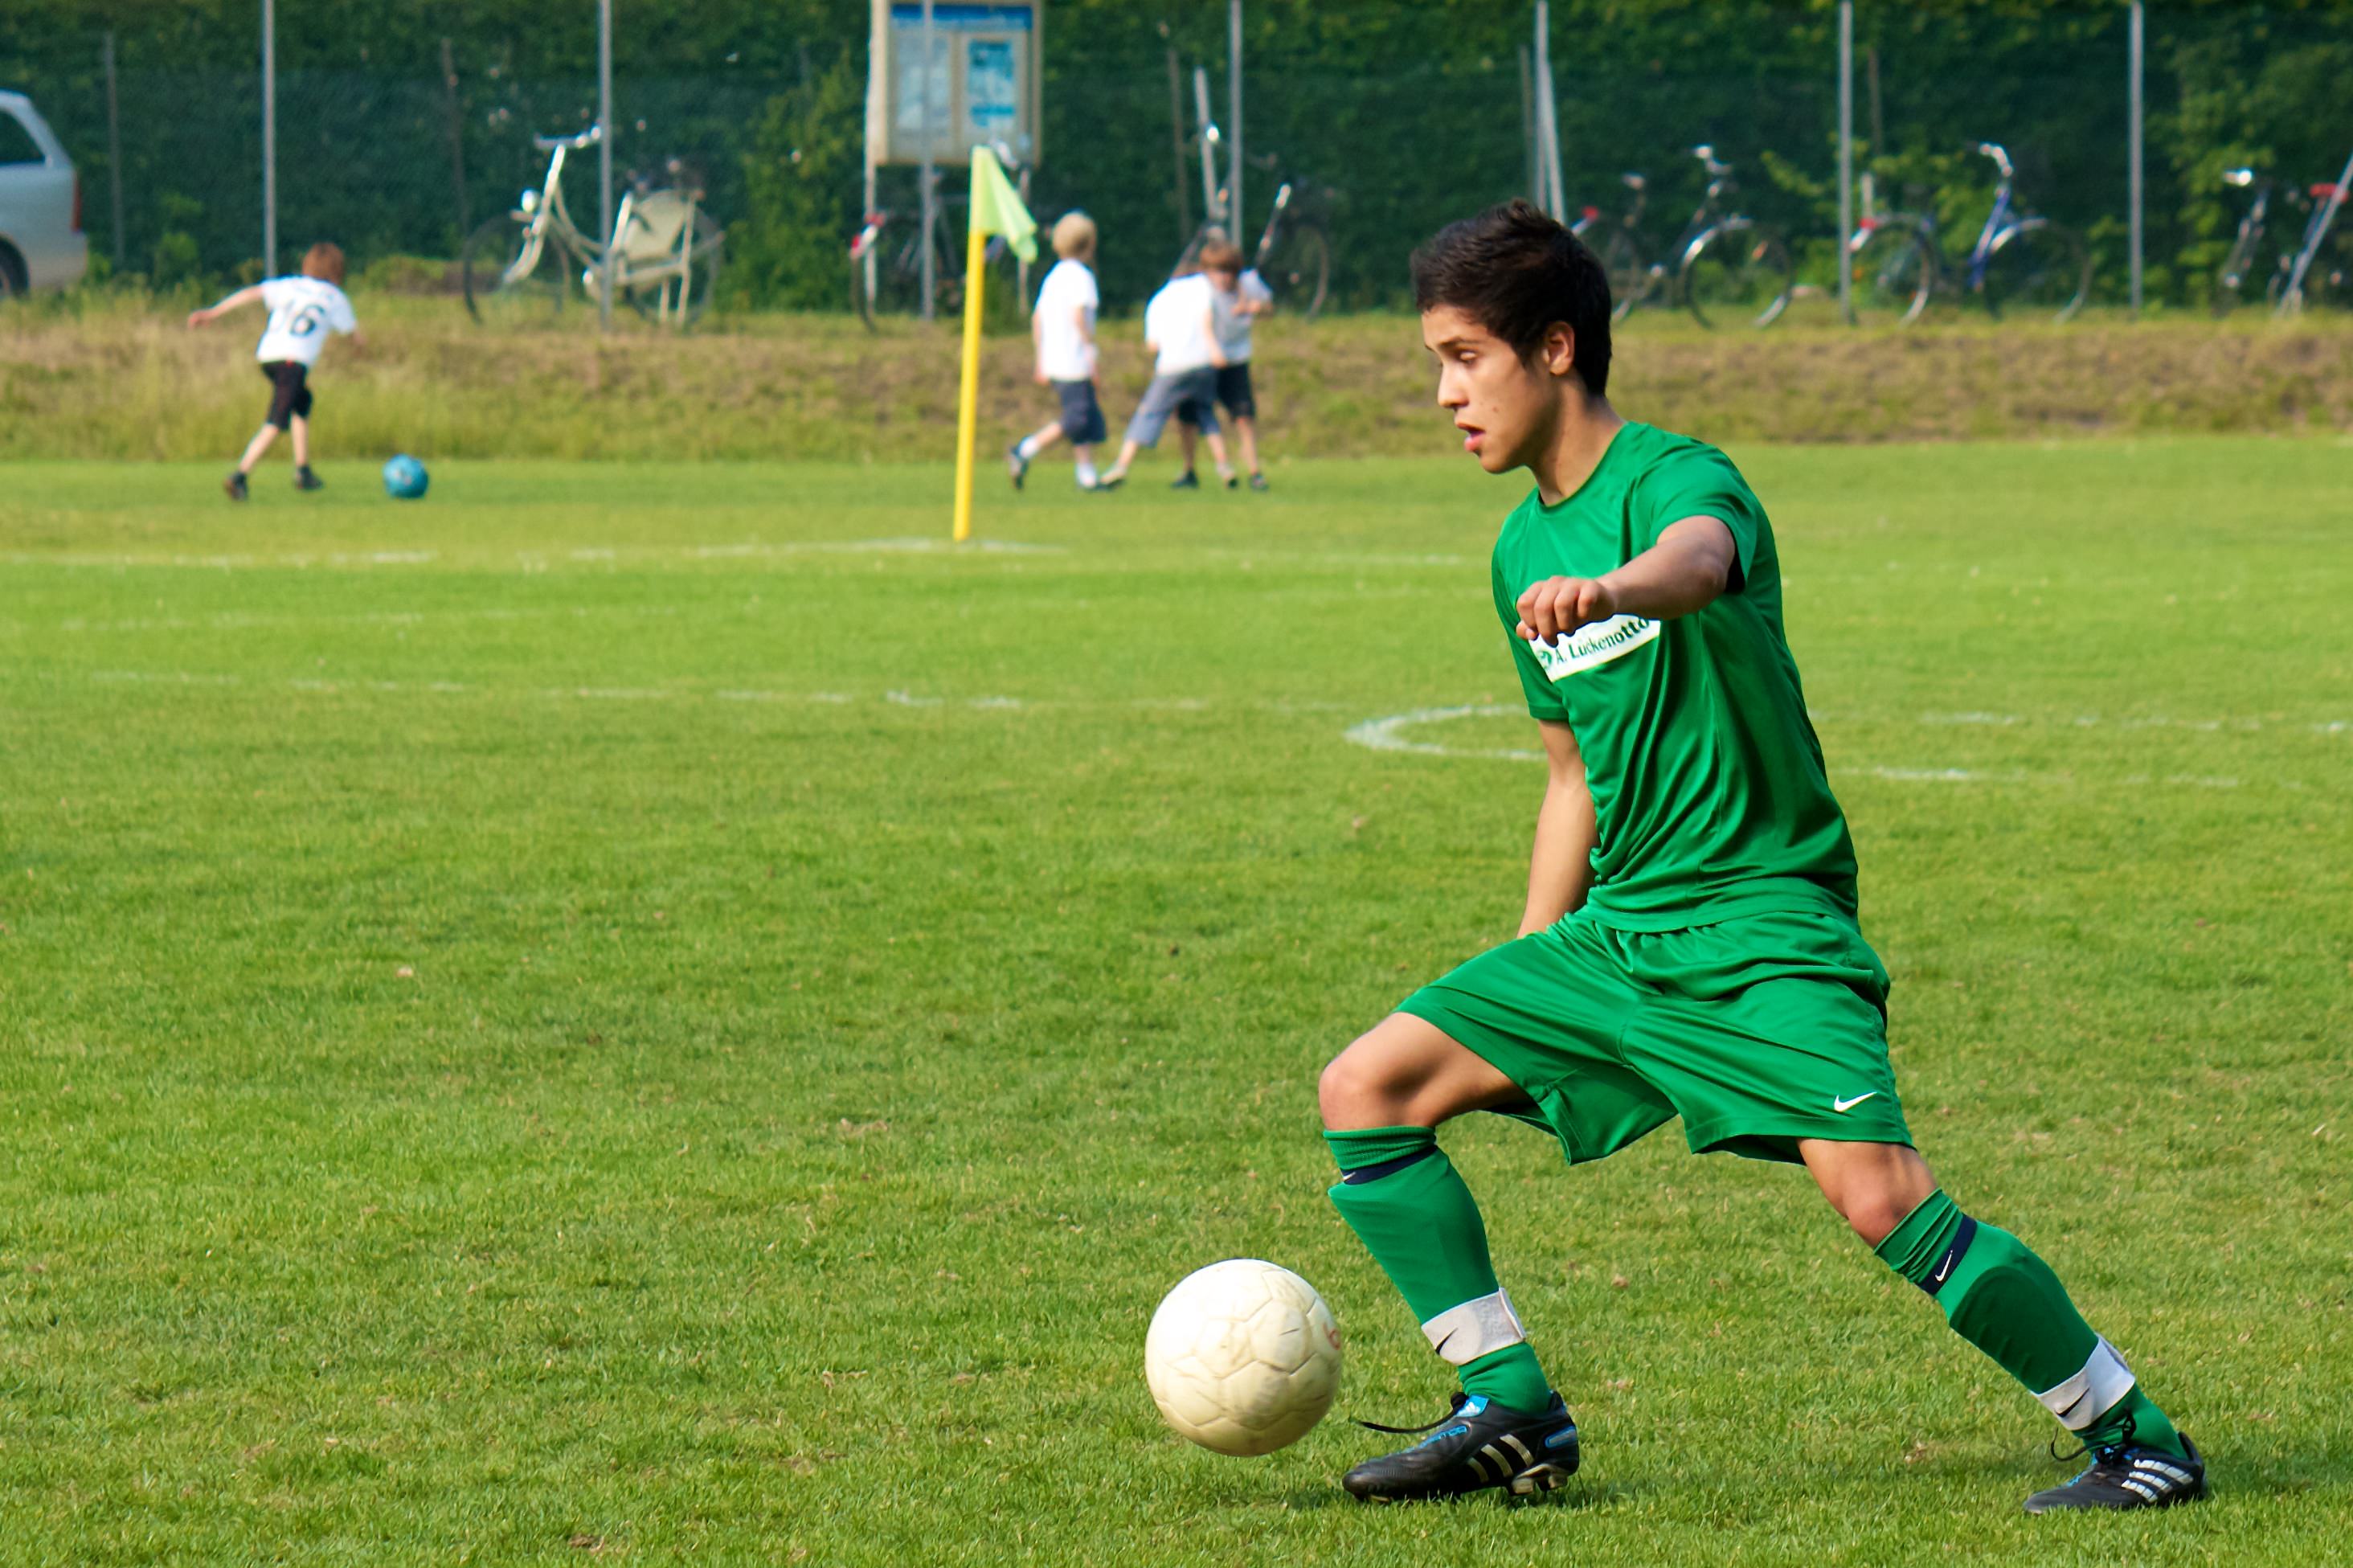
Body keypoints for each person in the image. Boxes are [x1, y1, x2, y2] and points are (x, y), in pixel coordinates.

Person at [1318, 200, 2205, 1514]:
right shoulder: (1517, 547)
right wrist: (1531, 962)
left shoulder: (1679, 478)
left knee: (1881, 1198)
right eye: (1435, 363)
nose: (1444, 393)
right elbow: (1570, 773)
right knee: (1368, 1086)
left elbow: (1697, 563)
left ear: (1553, 347)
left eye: (1463, 358)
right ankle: (1511, 1406)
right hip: (1622, 933)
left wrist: (1614, 588)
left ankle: (2139, 1437)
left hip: (1762, 922)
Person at [186, 242, 362, 501]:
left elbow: (251, 294)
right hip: (293, 362)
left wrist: (214, 312)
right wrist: (359, 350)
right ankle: (240, 475)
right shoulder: (335, 297)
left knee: (303, 401)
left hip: (268, 356)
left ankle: (303, 471)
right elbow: (353, 335)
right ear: (337, 271)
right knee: (277, 422)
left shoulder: (290, 285)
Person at [1095, 256, 1231, 492]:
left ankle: (1121, 466)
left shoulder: (1160, 298)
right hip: (1203, 361)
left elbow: (1153, 346)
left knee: (1148, 413)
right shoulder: (1202, 287)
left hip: (1172, 366)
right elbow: (1209, 319)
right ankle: (1223, 467)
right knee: (1204, 414)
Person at [1009, 212, 1107, 492]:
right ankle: (1025, 449)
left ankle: (1086, 475)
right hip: (1074, 359)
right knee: (1077, 418)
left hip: (1055, 358)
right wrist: (1090, 351)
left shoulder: (1053, 276)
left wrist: (1040, 358)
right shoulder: (1082, 277)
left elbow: (1037, 319)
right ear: (1089, 244)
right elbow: (1079, 317)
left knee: (1085, 418)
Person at [1177, 239, 1274, 490]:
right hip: (1202, 358)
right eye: (1217, 272)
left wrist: (1255, 308)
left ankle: (1254, 471)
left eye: (1229, 272)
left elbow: (1269, 307)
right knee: (1189, 415)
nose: (1223, 278)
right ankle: (1189, 470)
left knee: (1243, 416)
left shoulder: (1249, 283)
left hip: (1236, 358)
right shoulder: (1199, 289)